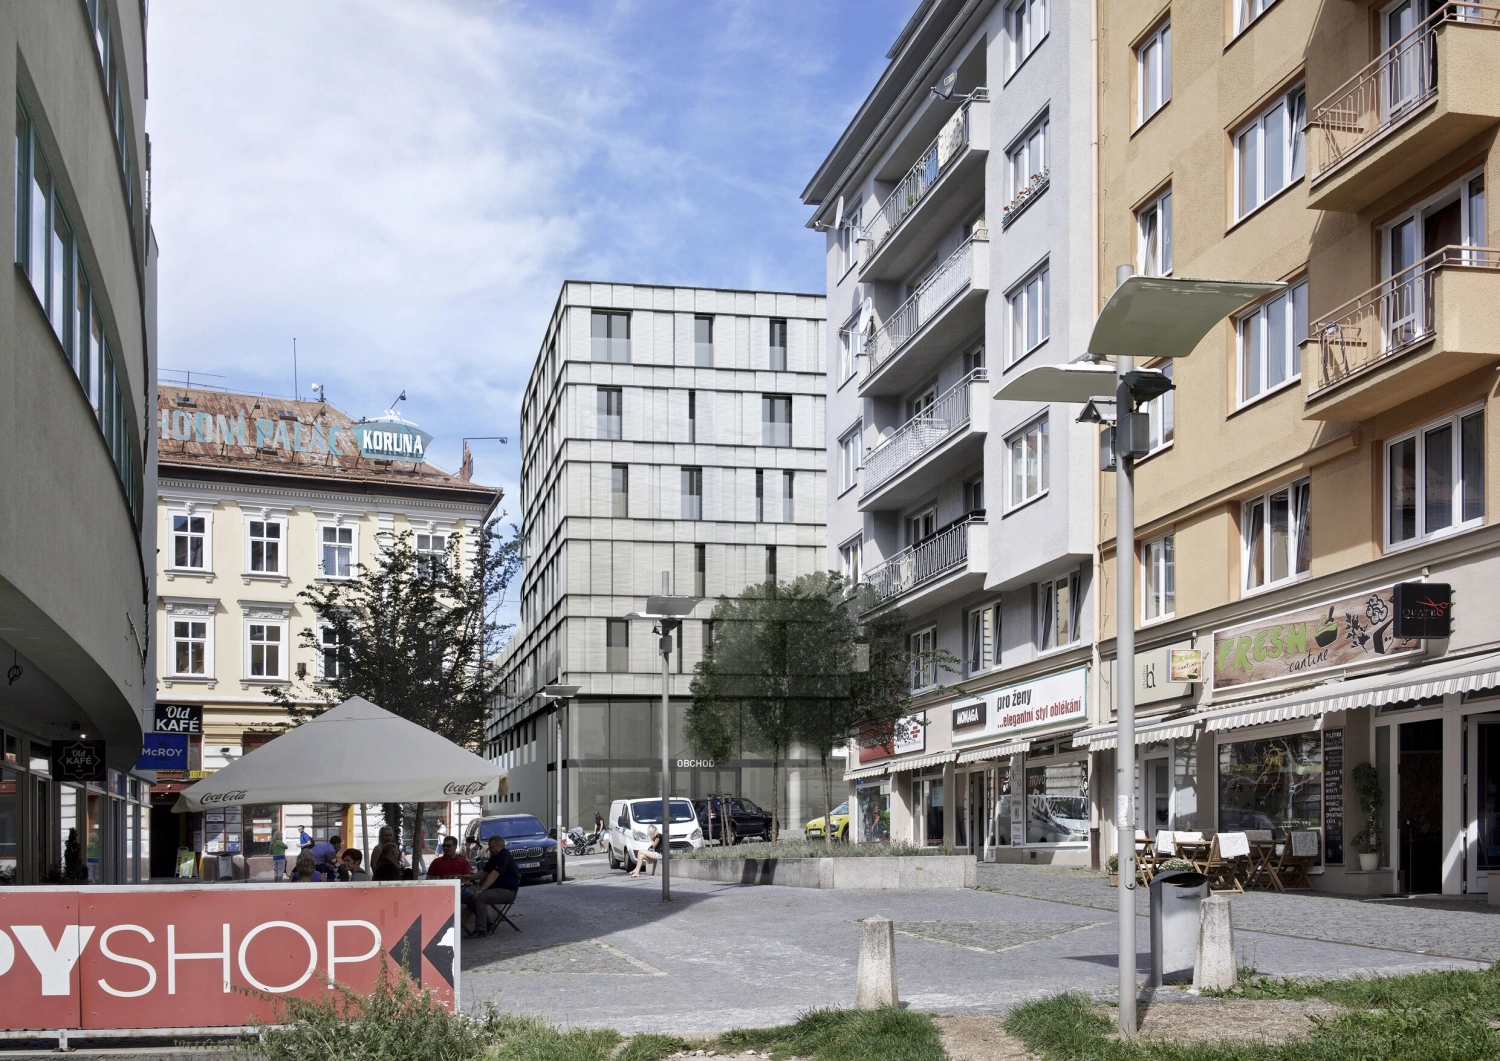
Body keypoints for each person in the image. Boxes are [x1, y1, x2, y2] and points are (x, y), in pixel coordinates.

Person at [464, 835, 519, 935]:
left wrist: (481, 889)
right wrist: (471, 877)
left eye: (491, 847)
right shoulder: (494, 856)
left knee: (479, 897)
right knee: (471, 898)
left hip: (507, 891)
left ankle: (481, 930)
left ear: (500, 846)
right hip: (498, 889)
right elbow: (485, 872)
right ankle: (487, 923)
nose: (489, 849)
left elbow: (494, 874)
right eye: (489, 846)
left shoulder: (504, 856)